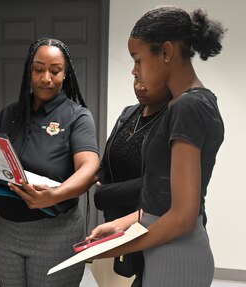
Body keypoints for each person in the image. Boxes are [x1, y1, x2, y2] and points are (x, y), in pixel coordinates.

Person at [88, 6, 225, 287]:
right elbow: (163, 200)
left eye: (138, 59)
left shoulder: (189, 106)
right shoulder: (187, 103)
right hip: (165, 249)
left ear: (166, 52)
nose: (134, 70)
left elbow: (183, 216)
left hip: (177, 255)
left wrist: (119, 246)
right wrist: (121, 224)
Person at [0, 37, 100, 287]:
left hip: (55, 229)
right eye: (38, 69)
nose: (46, 78)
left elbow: (90, 167)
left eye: (55, 70)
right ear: (29, 71)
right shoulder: (9, 114)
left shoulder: (77, 116)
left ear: (65, 74)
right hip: (6, 228)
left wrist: (55, 195)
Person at [94, 79, 171, 286]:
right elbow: (105, 165)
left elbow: (162, 184)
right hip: (116, 223)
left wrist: (105, 194)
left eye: (147, 80)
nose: (140, 86)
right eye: (136, 78)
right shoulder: (129, 114)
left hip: (152, 226)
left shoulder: (171, 119)